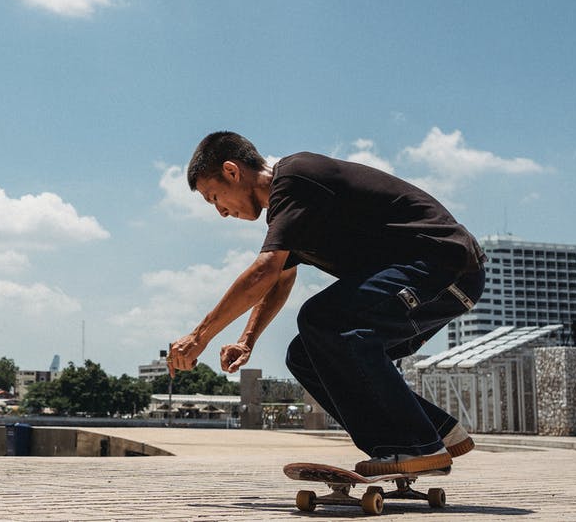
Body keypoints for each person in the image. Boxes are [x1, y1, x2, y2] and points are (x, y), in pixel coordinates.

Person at [167, 131, 486, 476]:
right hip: (432, 282)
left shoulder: (297, 178)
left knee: (322, 318)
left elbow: (264, 270)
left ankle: (416, 445)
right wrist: (247, 339)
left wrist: (200, 336)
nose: (221, 213)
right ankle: (430, 434)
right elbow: (278, 280)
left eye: (215, 198)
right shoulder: (290, 212)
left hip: (446, 268)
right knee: (304, 355)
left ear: (232, 171)